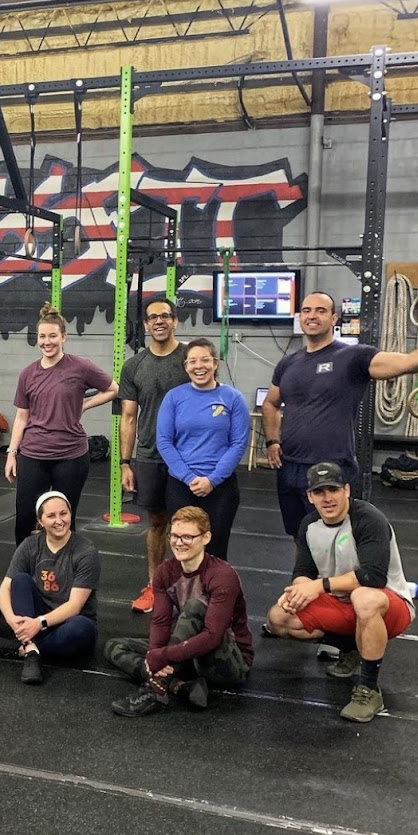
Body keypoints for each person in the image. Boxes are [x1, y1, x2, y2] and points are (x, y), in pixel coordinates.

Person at [262, 290, 418, 539]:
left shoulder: (352, 357)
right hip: (290, 467)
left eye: (321, 311)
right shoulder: (288, 364)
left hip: (331, 468)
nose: (312, 316)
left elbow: (409, 362)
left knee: (336, 539)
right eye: (307, 310)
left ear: (333, 319)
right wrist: (272, 441)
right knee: (300, 535)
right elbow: (270, 404)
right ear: (300, 317)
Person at [264, 461, 416, 724]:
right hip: (342, 605)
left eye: (333, 490)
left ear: (346, 490)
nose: (327, 498)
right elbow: (303, 571)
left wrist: (318, 586)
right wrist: (296, 592)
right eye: (319, 492)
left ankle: (369, 689)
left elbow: (373, 577)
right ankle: (351, 648)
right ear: (310, 497)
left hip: (388, 605)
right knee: (279, 617)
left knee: (363, 597)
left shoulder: (368, 519)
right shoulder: (309, 525)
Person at [106, 506, 253, 717]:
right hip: (187, 651)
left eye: (187, 537)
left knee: (194, 607)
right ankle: (179, 687)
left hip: (228, 661)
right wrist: (155, 653)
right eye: (174, 536)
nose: (178, 542)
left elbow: (213, 636)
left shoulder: (222, 575)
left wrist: (162, 656)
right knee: (115, 646)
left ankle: (155, 689)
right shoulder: (165, 571)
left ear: (206, 538)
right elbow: (161, 622)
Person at [5, 302, 118, 544]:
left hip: (71, 456)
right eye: (42, 337)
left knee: (65, 519)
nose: (47, 342)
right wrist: (12, 453)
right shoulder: (28, 374)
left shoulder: (81, 367)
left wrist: (85, 405)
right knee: (25, 518)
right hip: (34, 454)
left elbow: (112, 389)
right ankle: (26, 564)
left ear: (64, 337)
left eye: (53, 336)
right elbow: (22, 417)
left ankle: (65, 564)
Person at [0, 490, 98, 686]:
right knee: (20, 580)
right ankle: (30, 647)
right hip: (36, 621)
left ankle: (27, 650)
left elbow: (75, 606)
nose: (59, 521)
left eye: (63, 514)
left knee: (83, 628)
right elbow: (6, 588)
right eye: (51, 516)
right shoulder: (30, 545)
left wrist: (39, 623)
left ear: (71, 514)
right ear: (40, 521)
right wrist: (11, 620)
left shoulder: (86, 551)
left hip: (66, 623)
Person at [119, 295, 189, 612]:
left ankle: (188, 588)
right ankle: (155, 587)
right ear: (146, 325)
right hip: (150, 456)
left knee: (188, 525)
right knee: (157, 523)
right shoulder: (134, 366)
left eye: (165, 316)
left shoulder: (190, 358)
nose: (159, 321)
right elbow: (128, 418)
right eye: (152, 317)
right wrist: (125, 463)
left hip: (188, 457)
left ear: (175, 321)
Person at [155, 338, 249, 561]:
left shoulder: (233, 398)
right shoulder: (174, 397)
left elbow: (238, 443)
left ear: (215, 363)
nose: (199, 366)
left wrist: (213, 480)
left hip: (220, 487)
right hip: (181, 485)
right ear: (186, 366)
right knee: (184, 546)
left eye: (205, 360)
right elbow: (164, 441)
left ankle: (215, 585)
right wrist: (189, 477)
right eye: (193, 361)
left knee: (216, 549)